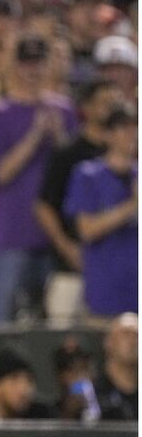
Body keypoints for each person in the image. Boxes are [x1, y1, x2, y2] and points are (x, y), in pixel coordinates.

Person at [0, 36, 76, 323]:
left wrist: (60, 137)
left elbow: (75, 171)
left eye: (38, 63)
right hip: (12, 233)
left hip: (54, 235)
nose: (32, 71)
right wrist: (35, 136)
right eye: (26, 63)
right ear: (15, 67)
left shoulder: (64, 109)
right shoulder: (0, 112)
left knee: (54, 322)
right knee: (3, 321)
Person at [36, 80, 120, 319]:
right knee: (62, 337)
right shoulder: (68, 153)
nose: (111, 109)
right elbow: (43, 205)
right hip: (72, 264)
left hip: (114, 267)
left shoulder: (129, 155)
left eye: (116, 103)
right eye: (104, 103)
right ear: (87, 107)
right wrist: (67, 247)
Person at [64, 108, 138, 317]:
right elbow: (87, 230)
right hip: (105, 292)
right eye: (124, 129)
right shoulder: (88, 175)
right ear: (107, 135)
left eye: (136, 128)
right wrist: (132, 206)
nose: (132, 135)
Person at [94, 313, 138, 421]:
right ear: (109, 342)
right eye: (126, 334)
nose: (133, 342)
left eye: (137, 336)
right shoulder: (92, 393)